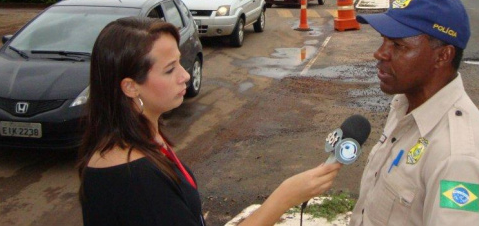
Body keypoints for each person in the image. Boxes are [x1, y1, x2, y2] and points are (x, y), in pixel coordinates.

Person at [78, 17, 341, 226]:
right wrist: (284, 198)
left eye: (180, 63)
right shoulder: (135, 179)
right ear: (131, 87)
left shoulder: (144, 140)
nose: (185, 76)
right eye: (169, 70)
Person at [349, 0, 479, 226]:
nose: (379, 53)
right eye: (383, 41)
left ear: (442, 56)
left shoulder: (459, 160)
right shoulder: (405, 106)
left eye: (398, 46)